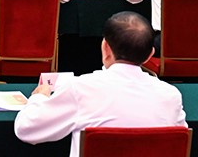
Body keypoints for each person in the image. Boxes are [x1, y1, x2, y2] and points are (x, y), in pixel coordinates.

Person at [14, 12, 187, 157]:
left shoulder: (80, 88)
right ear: (150, 54)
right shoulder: (171, 96)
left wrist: (39, 97)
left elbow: (27, 129)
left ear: (105, 48)